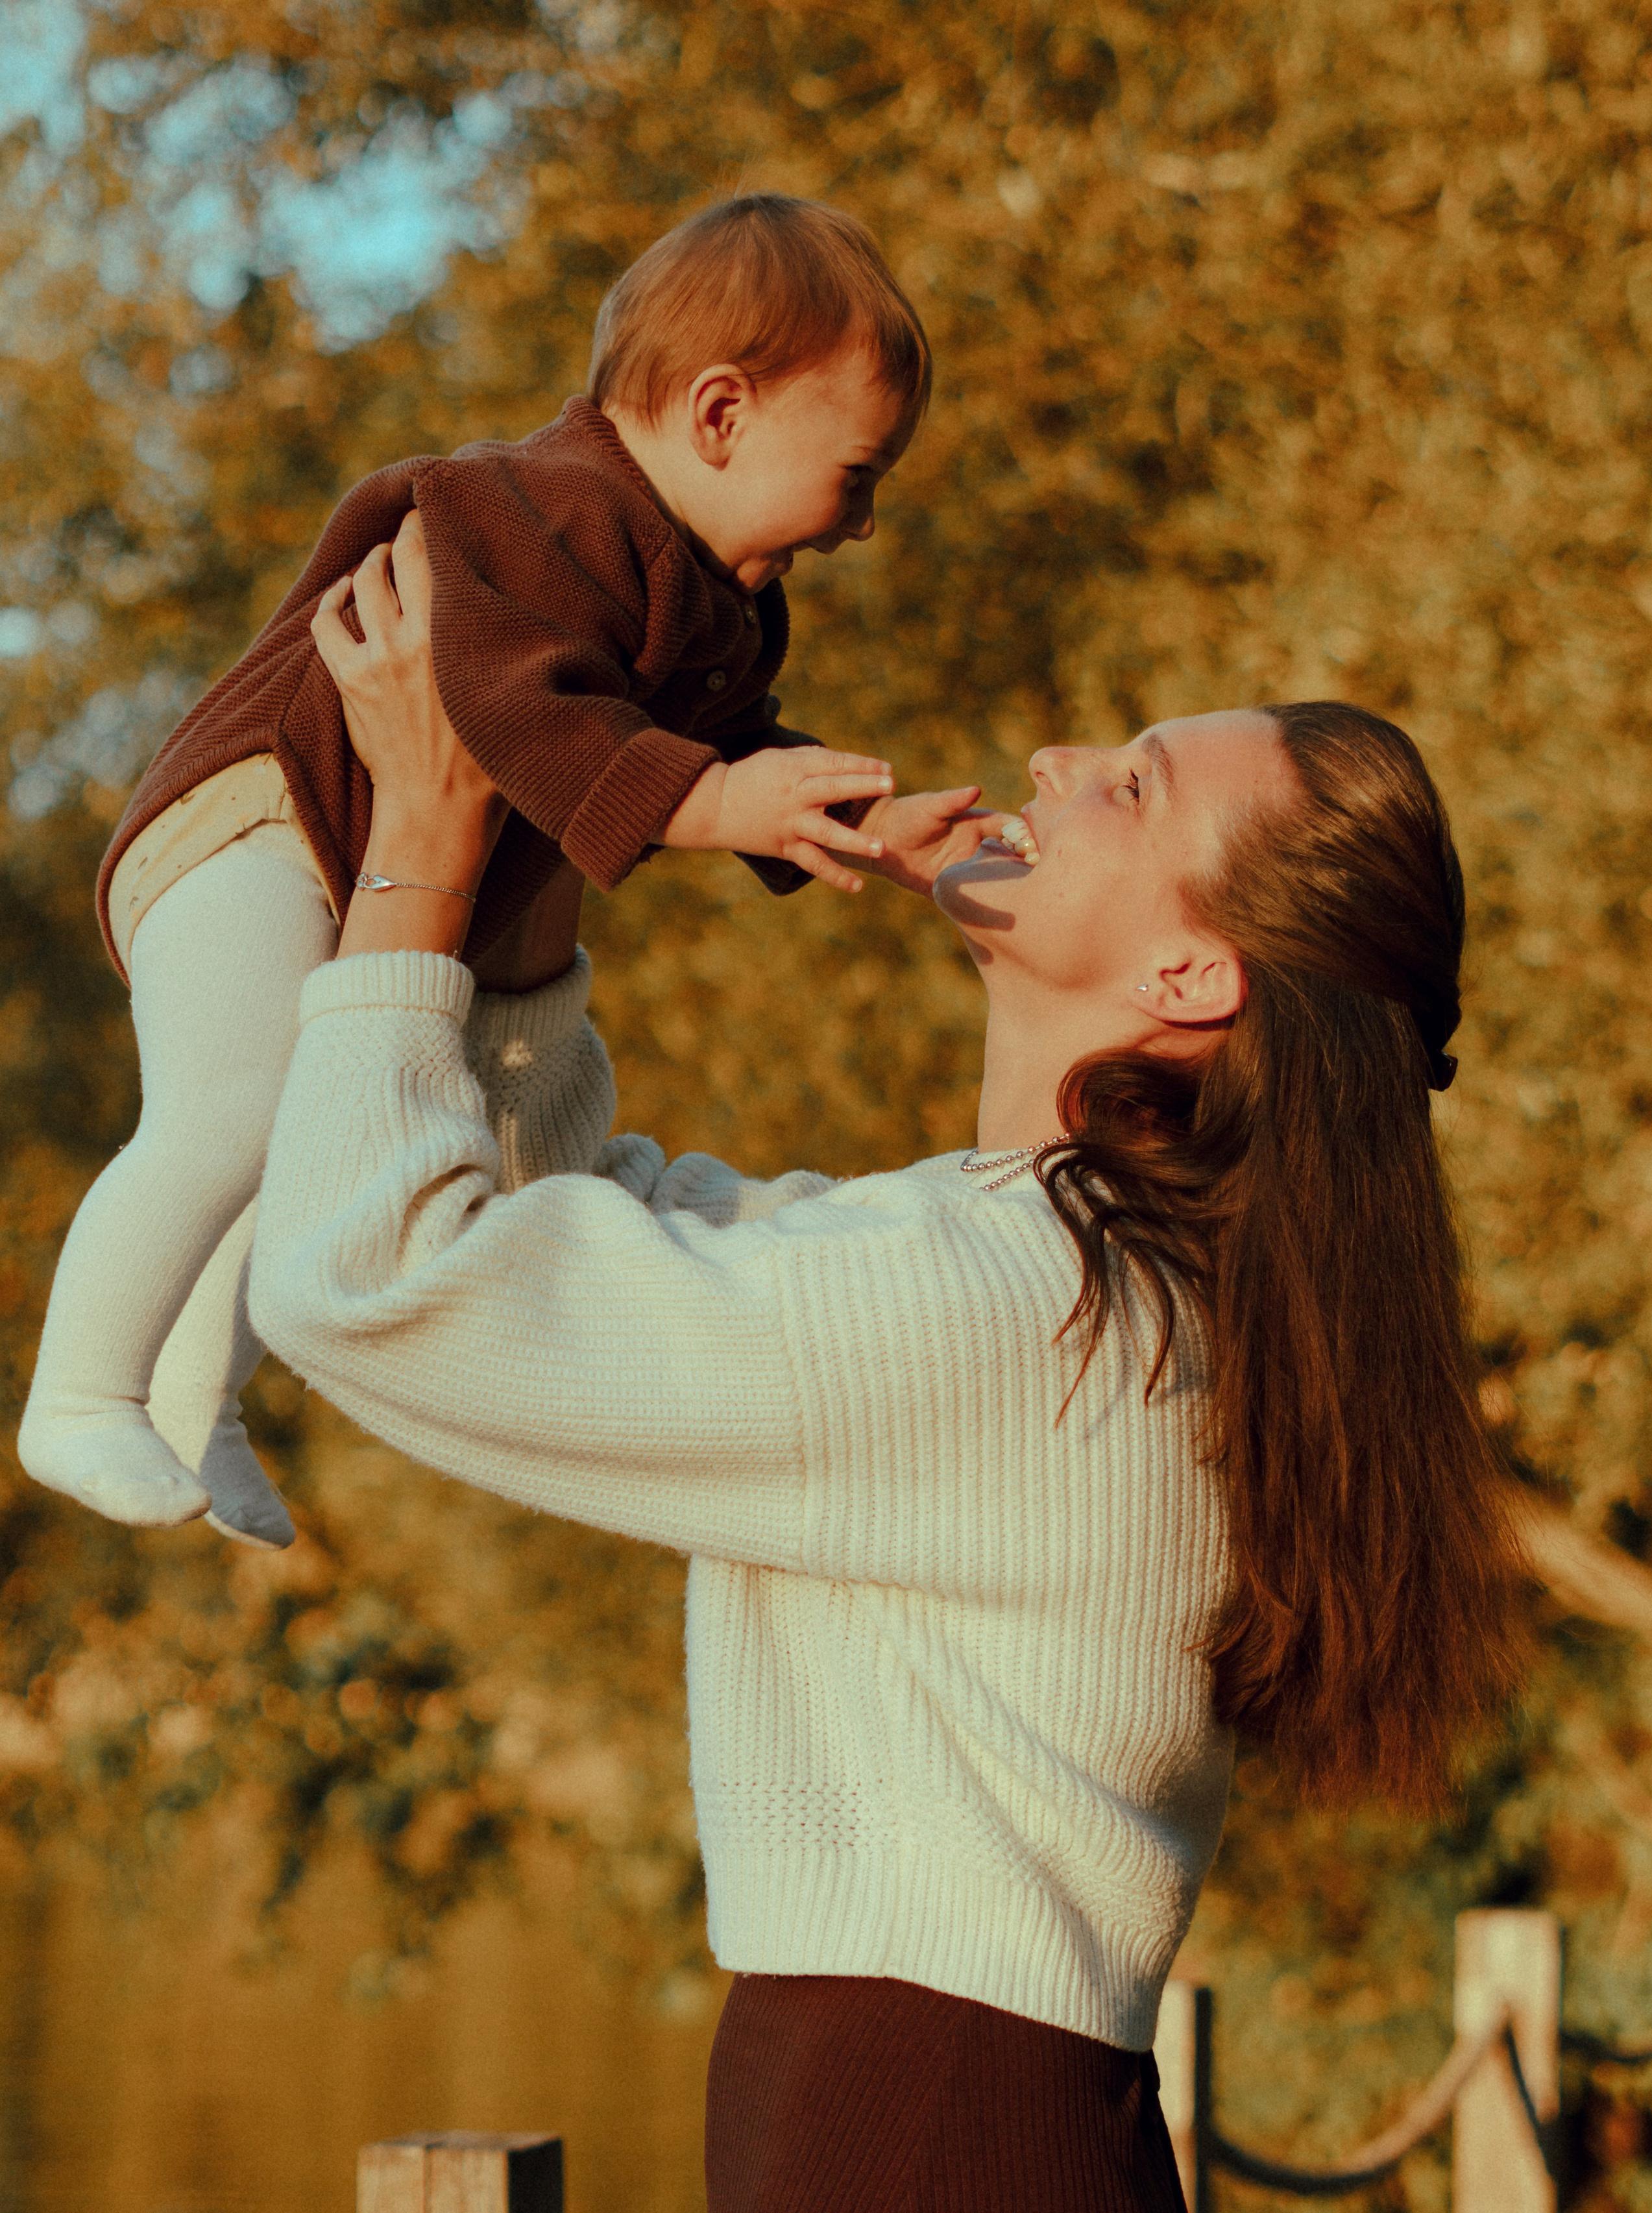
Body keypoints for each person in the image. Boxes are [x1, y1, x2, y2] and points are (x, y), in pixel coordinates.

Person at [250, 528, 1522, 2211]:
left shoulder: (1024, 1308)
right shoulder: (1088, 1280)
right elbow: (586, 1218)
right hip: (960, 2121)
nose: (1056, 759)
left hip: (919, 2132)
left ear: (1190, 975)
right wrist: (545, 826)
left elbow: (368, 1281)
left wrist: (421, 847)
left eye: (1133, 785)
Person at [19, 193, 987, 1548]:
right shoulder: (549, 508)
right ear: (720, 414)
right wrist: (714, 801)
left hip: (330, 853)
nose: (862, 524)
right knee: (230, 1108)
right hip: (253, 823)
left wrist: (867, 828)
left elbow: (720, 747)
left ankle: (200, 1402)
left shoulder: (713, 595)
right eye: (859, 475)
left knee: (292, 1132)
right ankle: (79, 1394)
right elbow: (507, 703)